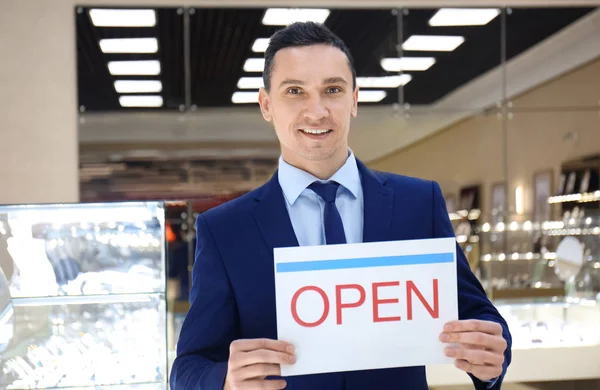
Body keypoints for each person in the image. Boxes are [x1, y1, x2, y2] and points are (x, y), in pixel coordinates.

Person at [170, 22, 511, 390]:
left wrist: (492, 359)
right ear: (266, 104)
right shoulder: (225, 231)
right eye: (295, 91)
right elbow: (188, 368)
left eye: (332, 89)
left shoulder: (418, 203)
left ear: (354, 99)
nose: (316, 111)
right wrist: (223, 379)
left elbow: (478, 315)